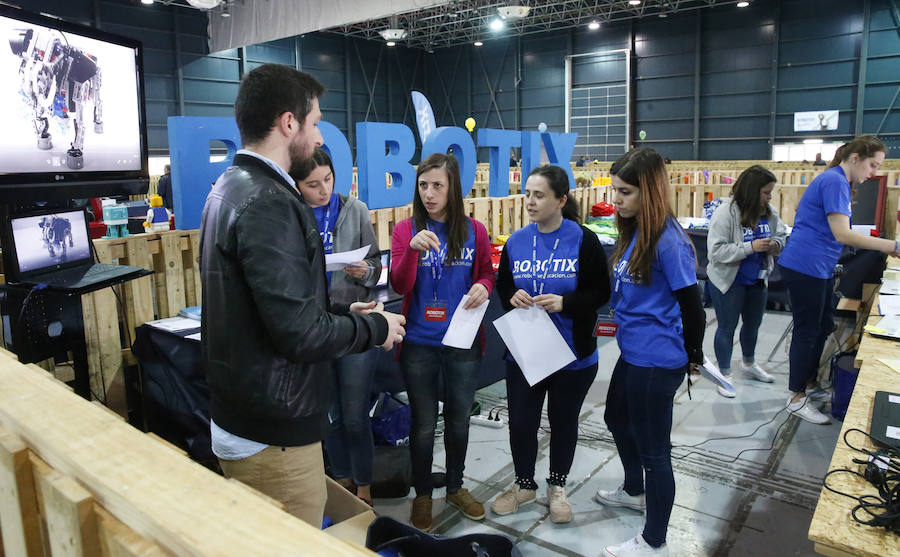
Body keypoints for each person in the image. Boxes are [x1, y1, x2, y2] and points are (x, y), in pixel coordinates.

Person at [199, 63, 405, 527]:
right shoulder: (269, 200)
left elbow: (271, 304)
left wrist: (338, 308)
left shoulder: (228, 188)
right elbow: (299, 333)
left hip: (245, 416)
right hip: (273, 432)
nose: (316, 139)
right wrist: (374, 326)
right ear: (288, 122)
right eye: (313, 123)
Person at [598, 147, 705, 557]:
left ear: (649, 192)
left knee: (655, 451)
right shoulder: (636, 232)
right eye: (615, 191)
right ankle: (633, 488)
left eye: (624, 192)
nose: (617, 200)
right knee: (614, 418)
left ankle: (654, 539)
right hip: (633, 352)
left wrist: (693, 356)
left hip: (657, 361)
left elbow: (693, 307)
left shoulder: (669, 242)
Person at [491, 165, 610, 523]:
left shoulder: (584, 240)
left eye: (539, 195)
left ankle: (556, 487)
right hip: (527, 350)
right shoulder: (515, 242)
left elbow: (601, 292)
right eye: (527, 193)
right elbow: (503, 286)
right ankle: (523, 485)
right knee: (522, 422)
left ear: (561, 200)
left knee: (563, 421)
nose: (529, 201)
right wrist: (513, 296)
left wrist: (566, 303)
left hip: (572, 356)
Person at [390, 152, 495, 532]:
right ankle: (422, 493)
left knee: (459, 421)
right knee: (422, 423)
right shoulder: (406, 231)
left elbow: (486, 273)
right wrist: (413, 254)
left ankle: (454, 486)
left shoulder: (475, 231)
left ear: (453, 189)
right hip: (418, 341)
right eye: (424, 185)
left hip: (462, 341)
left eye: (438, 185)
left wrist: (484, 286)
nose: (430, 193)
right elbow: (399, 285)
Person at [777, 135, 900, 425]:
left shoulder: (839, 182)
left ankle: (806, 385)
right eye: (872, 165)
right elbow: (842, 234)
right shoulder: (834, 181)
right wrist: (891, 246)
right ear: (855, 158)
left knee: (822, 327)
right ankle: (795, 397)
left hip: (817, 266)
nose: (873, 173)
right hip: (805, 265)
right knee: (808, 331)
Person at [291, 147, 382, 506]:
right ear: (297, 185)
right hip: (313, 326)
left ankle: (364, 487)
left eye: (327, 179)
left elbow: (375, 262)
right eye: (313, 184)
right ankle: (340, 479)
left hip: (354, 319)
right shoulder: (292, 216)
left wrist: (367, 271)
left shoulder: (354, 210)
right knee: (328, 414)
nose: (323, 190)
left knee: (355, 414)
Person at [707, 165, 788, 397]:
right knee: (726, 328)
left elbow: (781, 235)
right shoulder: (725, 213)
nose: (769, 197)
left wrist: (776, 245)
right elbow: (716, 252)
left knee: (753, 326)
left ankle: (749, 363)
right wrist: (750, 247)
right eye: (766, 192)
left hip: (757, 280)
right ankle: (723, 373)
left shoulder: (769, 212)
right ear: (752, 191)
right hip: (729, 281)